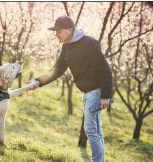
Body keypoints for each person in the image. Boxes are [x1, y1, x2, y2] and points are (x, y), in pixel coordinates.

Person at [28, 16, 113, 162]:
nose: (56, 34)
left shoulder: (90, 44)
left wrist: (105, 96)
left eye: (58, 31)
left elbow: (104, 70)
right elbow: (58, 69)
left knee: (90, 129)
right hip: (86, 92)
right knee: (96, 130)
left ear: (69, 30)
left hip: (96, 92)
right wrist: (38, 82)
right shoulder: (66, 46)